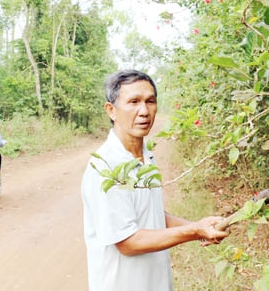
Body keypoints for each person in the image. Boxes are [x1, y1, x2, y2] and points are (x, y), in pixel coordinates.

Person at [81, 69, 230, 291]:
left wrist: (202, 227)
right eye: (133, 102)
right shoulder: (105, 167)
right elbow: (128, 242)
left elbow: (150, 215)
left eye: (150, 101)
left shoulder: (145, 156)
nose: (144, 111)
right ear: (111, 110)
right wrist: (194, 231)